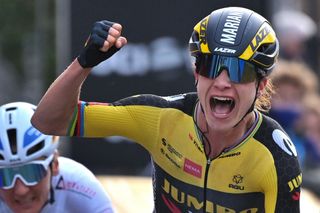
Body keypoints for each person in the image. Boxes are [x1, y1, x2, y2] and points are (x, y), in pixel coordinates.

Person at [31, 7, 301, 212]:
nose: (221, 82)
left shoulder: (275, 158)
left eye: (238, 71)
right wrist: (83, 63)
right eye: (209, 66)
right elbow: (48, 121)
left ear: (261, 84)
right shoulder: (161, 117)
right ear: (196, 72)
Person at [0, 102, 115, 213]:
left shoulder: (81, 187)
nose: (21, 191)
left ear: (54, 164)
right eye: (4, 176)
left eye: (32, 172)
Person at [268, 59, 319, 166]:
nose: (288, 104)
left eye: (294, 97)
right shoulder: (260, 127)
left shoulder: (306, 133)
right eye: (281, 96)